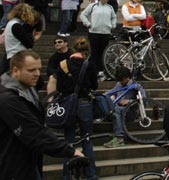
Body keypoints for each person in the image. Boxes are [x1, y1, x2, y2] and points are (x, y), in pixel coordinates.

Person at [0, 50, 82, 179]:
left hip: (27, 163)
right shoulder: (8, 99)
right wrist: (69, 151)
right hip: (12, 168)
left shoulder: (27, 91)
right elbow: (33, 131)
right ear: (15, 71)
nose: (37, 74)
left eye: (38, 69)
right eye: (31, 70)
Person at [56, 38, 99, 180]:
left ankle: (66, 175)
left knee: (68, 141)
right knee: (86, 139)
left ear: (73, 49)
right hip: (84, 103)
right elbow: (95, 86)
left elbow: (59, 88)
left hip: (68, 105)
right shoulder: (89, 64)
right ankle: (91, 174)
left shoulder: (63, 64)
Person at [104, 66, 145, 148]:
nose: (121, 82)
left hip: (130, 112)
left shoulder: (136, 85)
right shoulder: (119, 84)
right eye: (119, 80)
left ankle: (119, 138)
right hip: (118, 109)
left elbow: (143, 99)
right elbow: (112, 91)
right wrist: (102, 96)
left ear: (127, 77)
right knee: (112, 109)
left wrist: (129, 101)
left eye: (122, 80)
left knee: (116, 110)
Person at [80, 0, 117, 78]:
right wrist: (88, 24)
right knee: (94, 52)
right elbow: (83, 15)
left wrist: (113, 25)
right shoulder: (93, 6)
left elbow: (114, 17)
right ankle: (93, 70)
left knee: (103, 52)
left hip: (105, 33)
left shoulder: (110, 7)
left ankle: (101, 71)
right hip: (93, 32)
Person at [2, 2, 38, 73]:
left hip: (11, 54)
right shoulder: (17, 26)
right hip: (18, 55)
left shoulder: (11, 23)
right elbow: (29, 44)